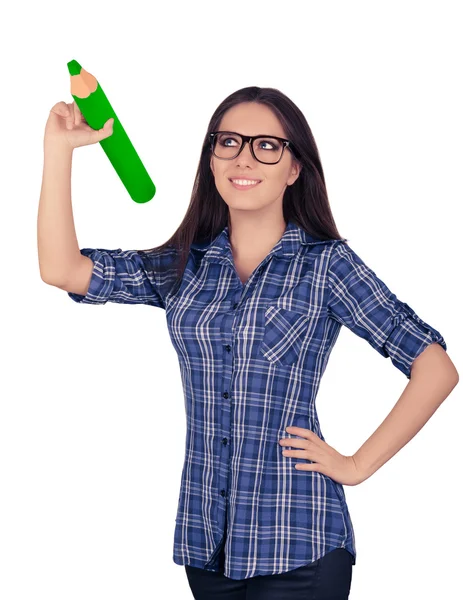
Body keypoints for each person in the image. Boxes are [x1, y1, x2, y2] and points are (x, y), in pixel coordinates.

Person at [38, 87, 459, 600]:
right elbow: (64, 269)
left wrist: (355, 466)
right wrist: (58, 150)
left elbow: (435, 368)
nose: (243, 158)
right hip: (206, 545)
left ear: (294, 168)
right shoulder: (185, 267)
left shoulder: (326, 267)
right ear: (211, 159)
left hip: (298, 547)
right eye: (229, 142)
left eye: (266, 146)